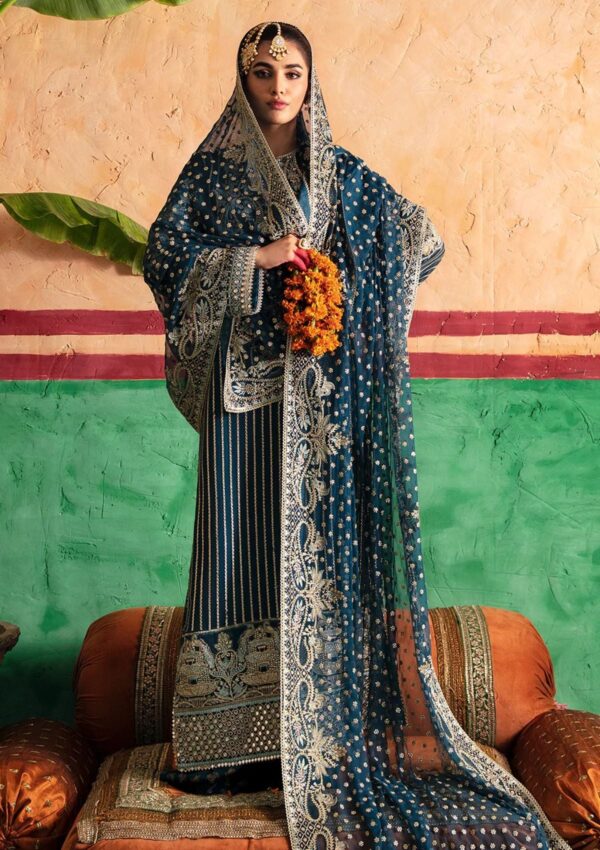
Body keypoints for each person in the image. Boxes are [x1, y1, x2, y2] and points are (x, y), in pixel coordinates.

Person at [142, 20, 567, 850]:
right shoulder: (212, 173)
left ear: (311, 82)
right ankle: (227, 754)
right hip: (243, 409)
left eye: (291, 72)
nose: (277, 87)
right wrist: (257, 259)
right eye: (261, 71)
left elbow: (419, 238)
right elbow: (165, 258)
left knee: (323, 565)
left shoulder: (343, 176)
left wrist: (354, 274)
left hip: (324, 407)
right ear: (242, 80)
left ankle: (324, 738)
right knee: (237, 552)